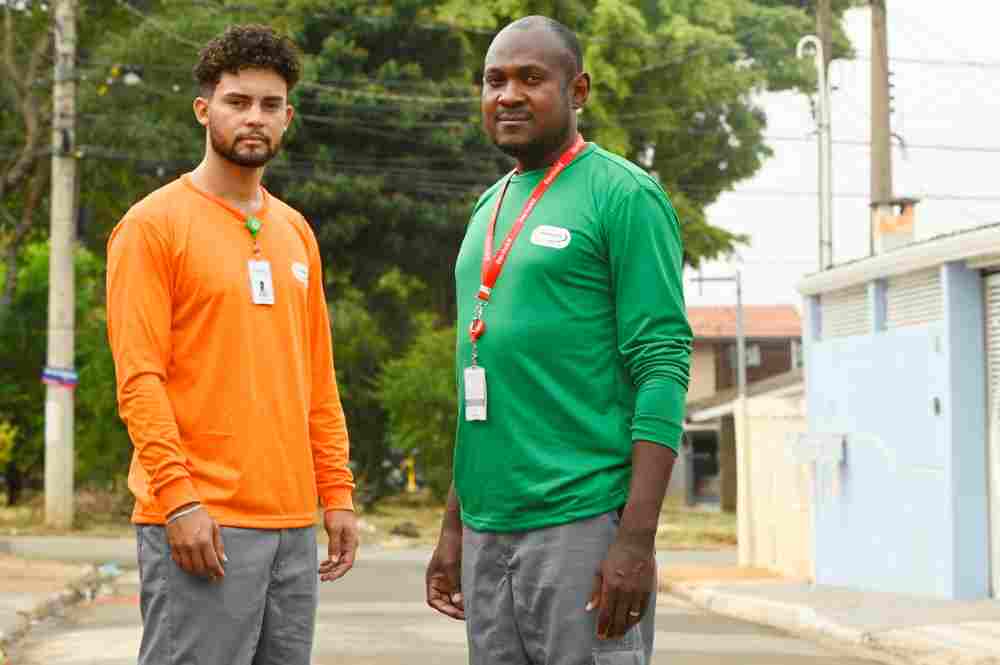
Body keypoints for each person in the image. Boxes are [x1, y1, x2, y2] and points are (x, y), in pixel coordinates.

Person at [425, 15, 692, 665]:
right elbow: (481, 379)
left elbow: (662, 363)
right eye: (494, 80)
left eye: (531, 78)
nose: (508, 94)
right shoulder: (488, 207)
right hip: (489, 530)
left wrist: (635, 539)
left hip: (581, 523)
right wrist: (454, 524)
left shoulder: (624, 194)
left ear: (579, 91)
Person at [106, 24, 358, 665]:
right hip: (202, 522)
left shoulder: (295, 232)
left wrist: (337, 494)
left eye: (270, 106)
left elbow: (318, 380)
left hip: (293, 527)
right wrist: (180, 499)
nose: (255, 118)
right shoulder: (152, 226)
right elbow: (139, 380)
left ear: (288, 117)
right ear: (204, 109)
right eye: (237, 101)